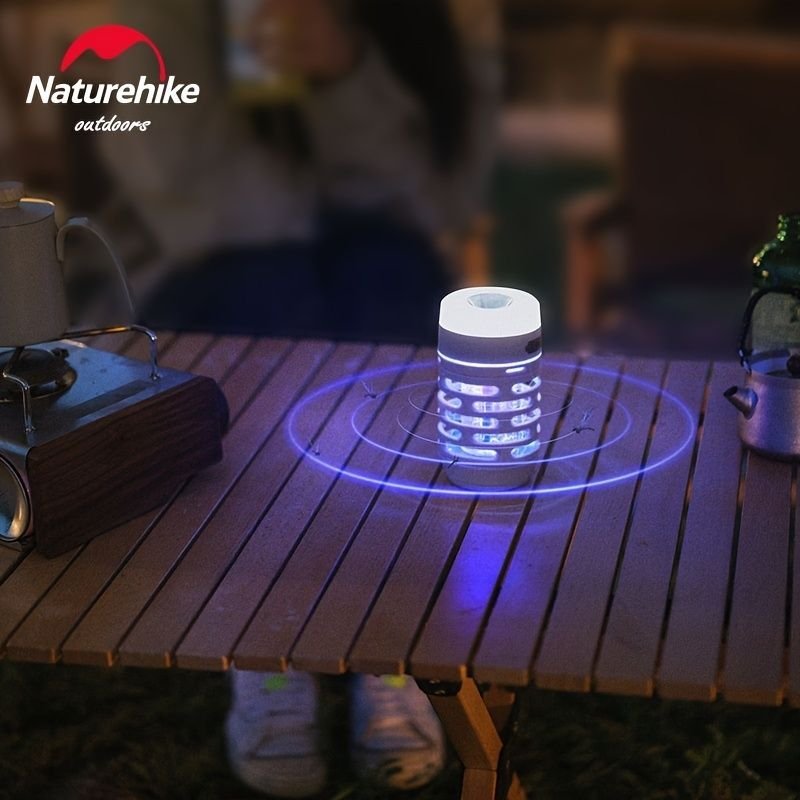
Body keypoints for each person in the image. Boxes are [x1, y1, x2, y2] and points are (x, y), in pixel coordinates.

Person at [101, 0, 501, 795]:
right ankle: (267, 636)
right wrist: (301, 213)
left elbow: (437, 201)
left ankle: (389, 630)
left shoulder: (436, 22)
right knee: (271, 295)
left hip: (374, 262)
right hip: (216, 265)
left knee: (386, 282)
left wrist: (344, 77)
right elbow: (172, 184)